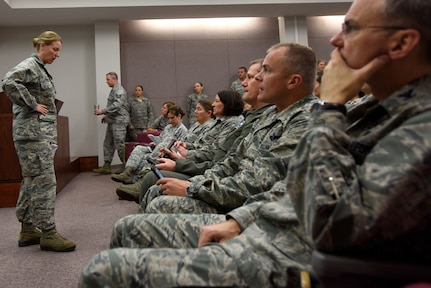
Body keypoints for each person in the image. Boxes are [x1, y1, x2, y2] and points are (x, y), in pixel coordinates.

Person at [79, 0, 431, 285]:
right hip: (267, 227)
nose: (336, 41)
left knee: (106, 272)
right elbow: (292, 181)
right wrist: (243, 219)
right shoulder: (372, 109)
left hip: (299, 257)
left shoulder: (416, 125)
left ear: (401, 43)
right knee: (129, 233)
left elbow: (333, 225)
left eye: (350, 29)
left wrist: (331, 106)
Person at [139, 42, 318, 215]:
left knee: (156, 203)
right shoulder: (270, 117)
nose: (258, 78)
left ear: (293, 81)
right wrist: (197, 182)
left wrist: (192, 186)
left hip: (253, 210)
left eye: (267, 70)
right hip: (231, 193)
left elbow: (257, 184)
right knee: (157, 193)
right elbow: (230, 162)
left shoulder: (305, 119)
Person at [135, 58, 274, 205]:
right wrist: (183, 160)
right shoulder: (249, 120)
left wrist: (185, 170)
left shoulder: (238, 124)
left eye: (251, 77)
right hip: (216, 177)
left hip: (229, 190)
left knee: (156, 188)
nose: (244, 83)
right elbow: (223, 160)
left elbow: (220, 161)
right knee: (154, 180)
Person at [2, 31, 75, 252]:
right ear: (42, 45)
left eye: (59, 50)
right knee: (44, 181)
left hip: (35, 135)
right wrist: (32, 103)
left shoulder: (38, 69)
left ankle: (28, 229)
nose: (57, 54)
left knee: (31, 180)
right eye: (55, 49)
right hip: (33, 136)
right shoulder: (30, 66)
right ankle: (49, 232)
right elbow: (8, 82)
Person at [116, 90, 244, 201]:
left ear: (228, 104)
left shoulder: (231, 124)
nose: (214, 104)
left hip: (207, 167)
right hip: (198, 159)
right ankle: (139, 185)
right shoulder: (220, 122)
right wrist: (185, 146)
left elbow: (214, 153)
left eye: (217, 101)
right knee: (156, 158)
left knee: (155, 172)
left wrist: (186, 154)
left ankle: (140, 188)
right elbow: (201, 144)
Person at [92, 72, 129, 175]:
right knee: (108, 143)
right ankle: (106, 166)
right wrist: (107, 116)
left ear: (114, 79)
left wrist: (102, 111)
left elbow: (117, 105)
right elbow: (115, 107)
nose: (106, 81)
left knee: (120, 144)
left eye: (108, 79)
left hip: (120, 121)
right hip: (113, 120)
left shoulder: (120, 90)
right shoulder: (114, 90)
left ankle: (126, 166)